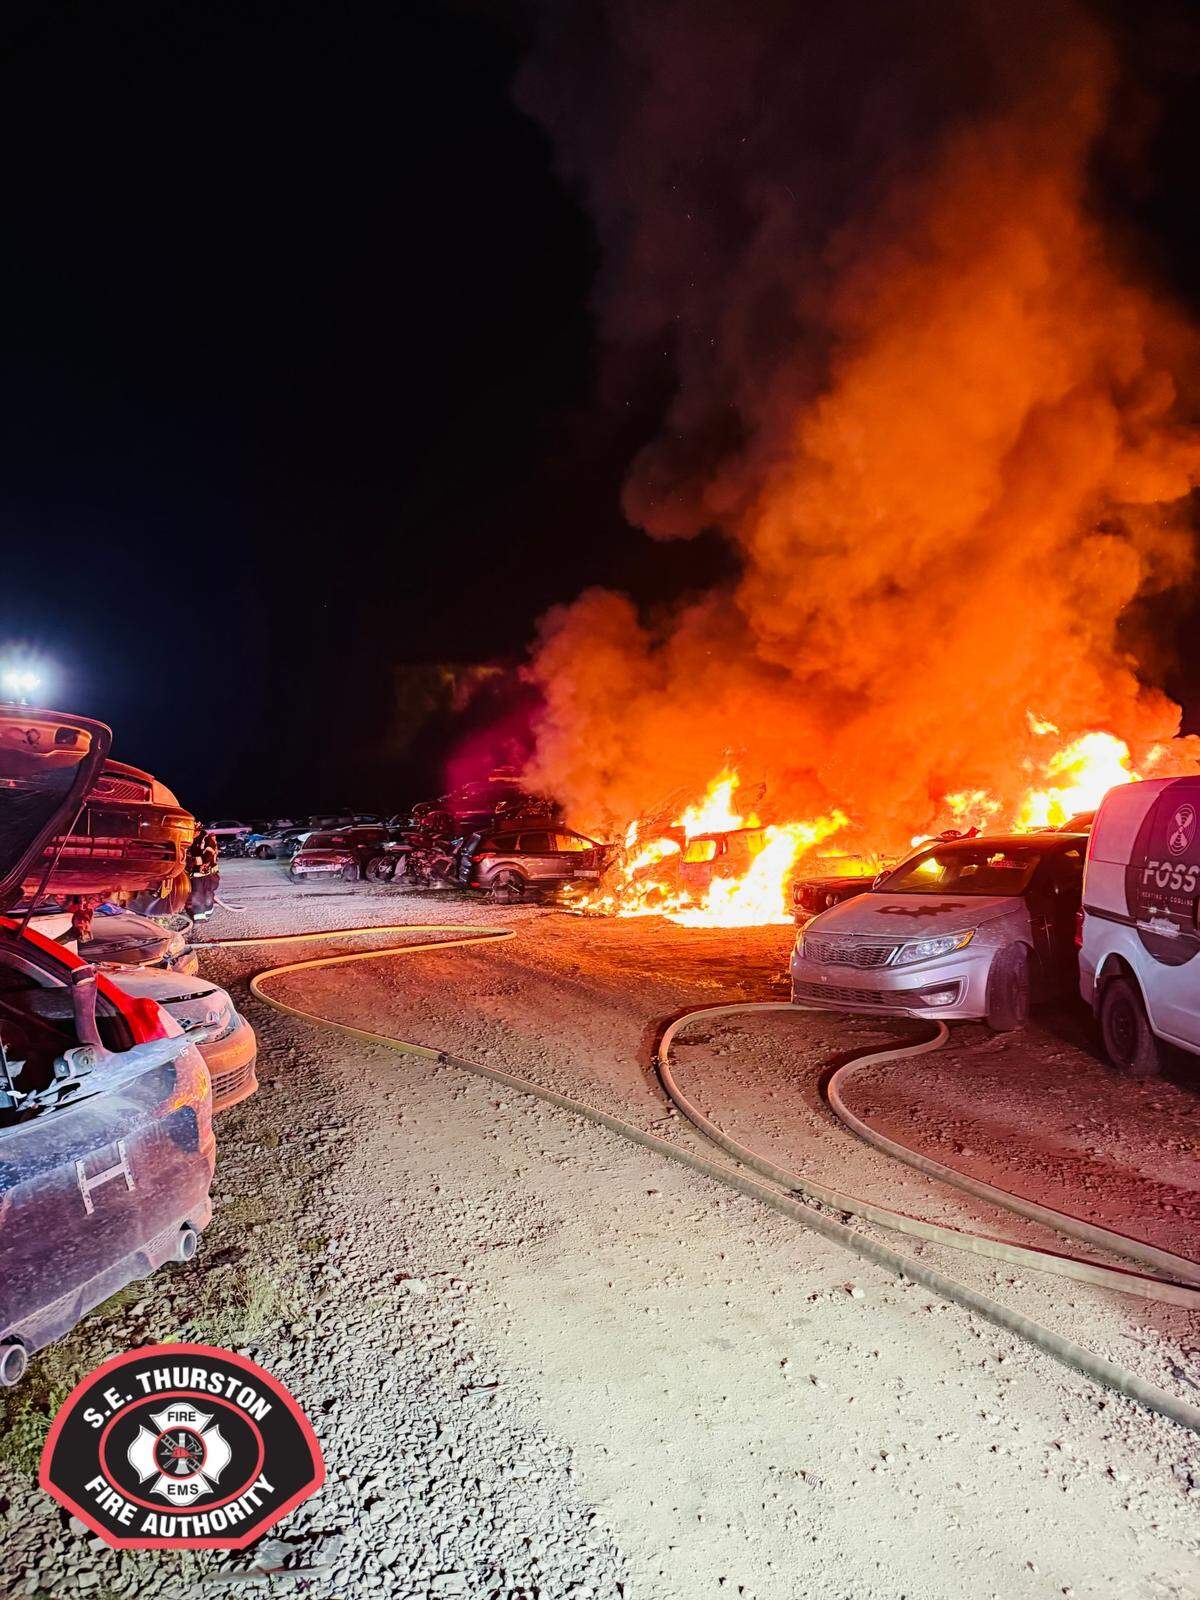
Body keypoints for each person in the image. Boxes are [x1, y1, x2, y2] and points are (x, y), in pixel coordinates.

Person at [186, 821, 220, 921]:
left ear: (197, 830)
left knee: (208, 896)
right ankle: (199, 919)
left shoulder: (207, 839)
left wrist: (189, 860)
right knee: (196, 896)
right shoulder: (189, 840)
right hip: (195, 875)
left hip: (209, 876)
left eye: (192, 831)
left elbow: (207, 857)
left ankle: (207, 916)